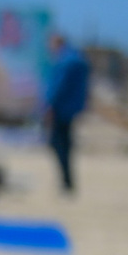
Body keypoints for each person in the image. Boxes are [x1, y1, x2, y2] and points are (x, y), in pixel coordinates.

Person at [43, 28, 91, 195]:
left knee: (59, 145)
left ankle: (66, 182)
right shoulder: (77, 59)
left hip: (61, 109)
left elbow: (58, 87)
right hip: (71, 109)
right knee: (65, 145)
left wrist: (49, 105)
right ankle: (67, 181)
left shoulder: (65, 61)